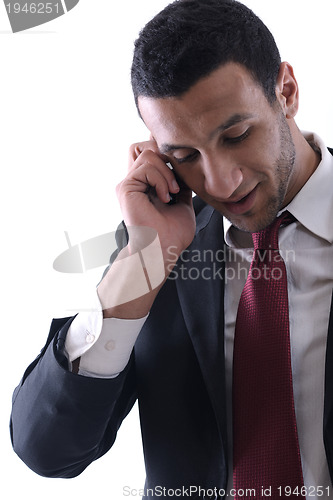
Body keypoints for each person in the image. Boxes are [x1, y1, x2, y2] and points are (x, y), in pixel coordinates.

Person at [10, 0, 333, 498]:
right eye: (184, 157)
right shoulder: (156, 252)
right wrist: (141, 265)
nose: (221, 182)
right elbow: (49, 450)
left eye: (238, 134)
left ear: (286, 91)